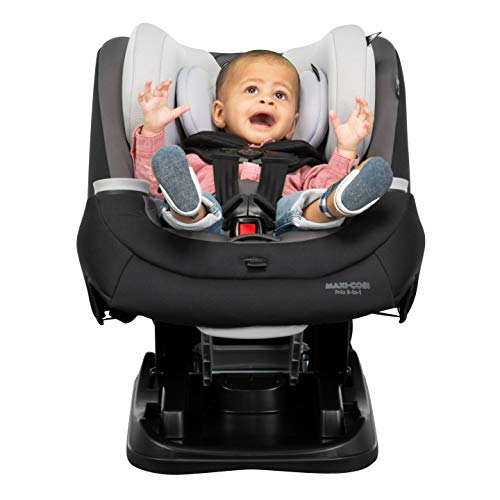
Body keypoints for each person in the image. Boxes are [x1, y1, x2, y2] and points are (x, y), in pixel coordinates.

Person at [131, 50, 393, 235]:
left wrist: (345, 148)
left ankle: (334, 206)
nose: (267, 100)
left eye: (280, 95)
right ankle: (188, 210)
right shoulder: (198, 158)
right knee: (195, 199)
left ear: (292, 126)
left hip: (283, 228)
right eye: (252, 90)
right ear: (219, 113)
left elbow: (324, 184)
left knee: (303, 203)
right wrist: (153, 130)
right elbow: (153, 186)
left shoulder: (298, 164)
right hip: (209, 230)